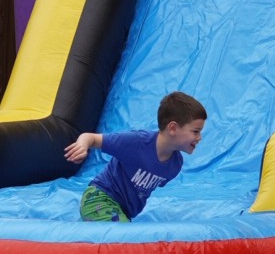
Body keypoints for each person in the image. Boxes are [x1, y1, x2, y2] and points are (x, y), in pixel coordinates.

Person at [65, 91, 207, 222]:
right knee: (125, 242)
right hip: (100, 198)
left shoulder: (175, 165)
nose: (199, 137)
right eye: (195, 131)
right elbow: (91, 138)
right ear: (173, 128)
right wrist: (82, 146)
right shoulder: (136, 143)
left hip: (124, 212)